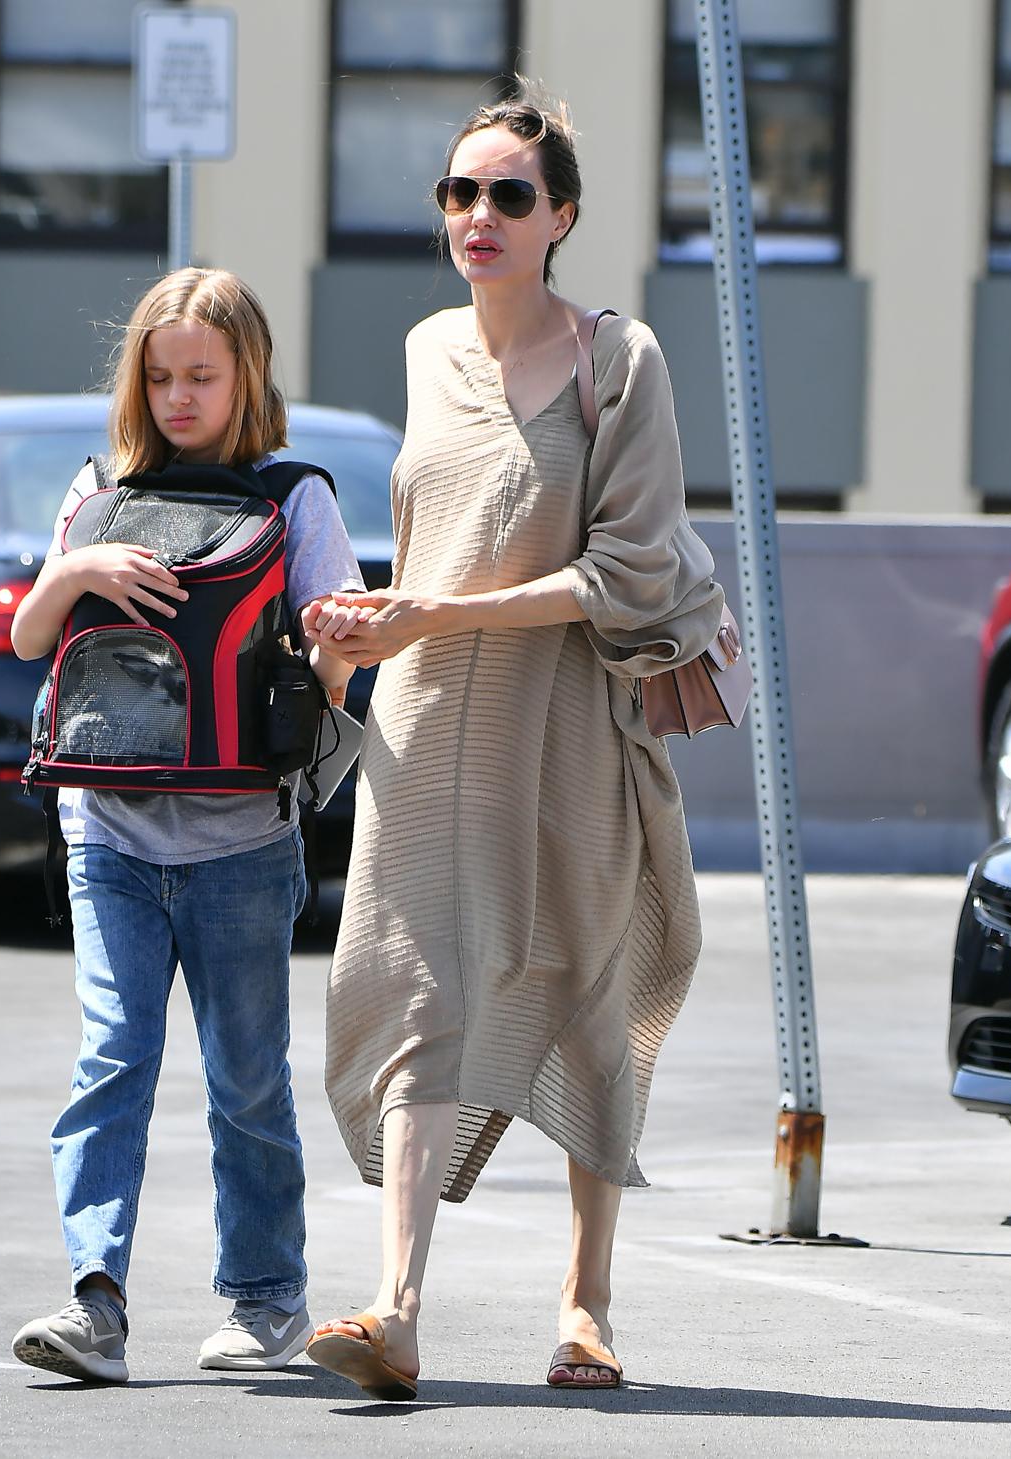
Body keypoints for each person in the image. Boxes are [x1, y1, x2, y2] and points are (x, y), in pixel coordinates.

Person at [298, 87, 725, 1400]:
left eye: (507, 196)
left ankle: (587, 1302)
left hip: (566, 729)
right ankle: (398, 1306)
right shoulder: (429, 349)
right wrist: (369, 620)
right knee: (418, 990)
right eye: (457, 193)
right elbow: (433, 537)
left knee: (584, 994)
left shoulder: (622, 361)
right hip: (426, 725)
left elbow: (629, 569)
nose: (476, 216)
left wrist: (443, 609)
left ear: (563, 218)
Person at [8, 267, 365, 1384]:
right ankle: (94, 1300)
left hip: (242, 844)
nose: (178, 396)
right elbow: (29, 638)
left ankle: (265, 1297)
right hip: (107, 833)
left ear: (246, 376)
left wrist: (337, 639)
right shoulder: (100, 490)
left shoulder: (296, 496)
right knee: (112, 1059)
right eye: (160, 376)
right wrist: (78, 565)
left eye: (201, 376)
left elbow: (337, 660)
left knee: (245, 1077)